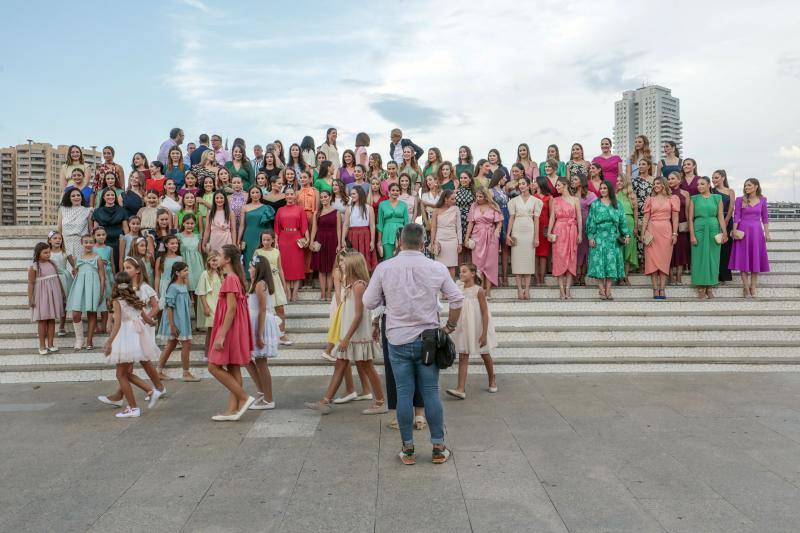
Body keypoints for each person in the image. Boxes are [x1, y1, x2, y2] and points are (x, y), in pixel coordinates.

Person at [363, 223, 464, 465]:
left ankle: (408, 449)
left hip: (397, 339)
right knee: (430, 392)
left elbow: (368, 301)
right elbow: (457, 299)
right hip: (427, 339)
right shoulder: (436, 268)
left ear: (399, 242)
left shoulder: (384, 268)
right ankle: (438, 447)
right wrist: (449, 327)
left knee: (404, 394)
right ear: (423, 243)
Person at [306, 252, 387, 416]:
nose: (341, 264)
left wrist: (346, 338)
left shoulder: (359, 285)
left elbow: (358, 316)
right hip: (350, 334)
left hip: (357, 335)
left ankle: (380, 402)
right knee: (340, 365)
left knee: (367, 367)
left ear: (353, 265)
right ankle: (325, 401)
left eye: (344, 262)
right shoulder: (351, 285)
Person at [97, 258, 165, 410]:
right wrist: (151, 322)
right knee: (125, 373)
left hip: (126, 335)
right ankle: (145, 393)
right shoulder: (133, 297)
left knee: (122, 374)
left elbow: (118, 323)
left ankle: (136, 405)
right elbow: (144, 315)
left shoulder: (117, 300)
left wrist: (109, 342)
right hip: (137, 334)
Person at [207, 245, 256, 421]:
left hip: (229, 327)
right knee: (233, 366)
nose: (216, 257)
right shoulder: (235, 278)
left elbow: (232, 309)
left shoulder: (230, 279)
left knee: (213, 366)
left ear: (227, 259)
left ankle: (243, 398)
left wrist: (221, 334)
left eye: (219, 255)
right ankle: (231, 410)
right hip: (235, 327)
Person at [446, 263, 497, 399]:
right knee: (463, 354)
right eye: (460, 272)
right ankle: (460, 389)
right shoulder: (459, 288)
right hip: (464, 325)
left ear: (473, 274)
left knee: (485, 353)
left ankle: (492, 378)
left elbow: (485, 312)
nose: (461, 274)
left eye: (464, 271)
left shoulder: (478, 290)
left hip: (477, 324)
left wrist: (484, 333)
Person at [245, 255, 280, 410]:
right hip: (255, 322)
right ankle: (262, 391)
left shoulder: (260, 284)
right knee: (248, 359)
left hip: (261, 324)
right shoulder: (255, 283)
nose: (248, 269)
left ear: (258, 269)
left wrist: (259, 335)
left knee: (261, 362)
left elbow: (262, 309)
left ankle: (268, 399)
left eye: (251, 267)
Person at [586, 181, 629, 300]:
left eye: (605, 188)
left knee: (611, 263)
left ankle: (608, 289)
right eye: (601, 188)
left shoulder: (617, 204)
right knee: (599, 262)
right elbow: (590, 222)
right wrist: (591, 237)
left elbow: (622, 221)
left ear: (610, 189)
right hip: (599, 237)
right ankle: (601, 289)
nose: (602, 190)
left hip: (613, 237)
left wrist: (626, 235)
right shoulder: (595, 204)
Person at [729, 178, 771, 297]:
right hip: (743, 231)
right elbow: (736, 216)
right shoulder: (740, 200)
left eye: (749, 185)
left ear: (756, 186)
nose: (746, 187)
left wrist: (767, 233)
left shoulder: (763, 200)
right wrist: (735, 230)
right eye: (745, 186)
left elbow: (765, 217)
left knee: (755, 259)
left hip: (757, 232)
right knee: (743, 259)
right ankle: (746, 287)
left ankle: (753, 287)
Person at [156, 262, 197, 381]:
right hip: (176, 320)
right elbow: (169, 307)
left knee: (171, 344)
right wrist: (172, 325)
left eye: (187, 270)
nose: (187, 272)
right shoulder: (173, 287)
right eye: (184, 270)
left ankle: (158, 371)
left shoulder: (183, 285)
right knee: (186, 343)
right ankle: (186, 373)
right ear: (177, 273)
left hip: (182, 318)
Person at [641, 177, 679, 300]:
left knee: (664, 261)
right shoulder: (650, 199)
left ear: (664, 184)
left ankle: (662, 288)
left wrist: (674, 234)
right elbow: (646, 218)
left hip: (666, 231)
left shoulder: (673, 199)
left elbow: (675, 218)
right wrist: (642, 233)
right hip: (652, 231)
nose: (655, 185)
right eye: (654, 184)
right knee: (652, 261)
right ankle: (655, 288)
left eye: (658, 183)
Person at [689, 176, 727, 298]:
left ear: (708, 185)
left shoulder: (717, 198)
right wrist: (692, 235)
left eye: (702, 184)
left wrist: (724, 232)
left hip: (713, 229)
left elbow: (720, 216)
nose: (699, 186)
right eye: (698, 184)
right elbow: (690, 219)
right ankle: (701, 286)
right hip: (698, 228)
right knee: (699, 257)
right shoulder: (693, 199)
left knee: (713, 257)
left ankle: (710, 286)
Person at [66, 234, 105, 350]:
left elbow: (102, 276)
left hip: (93, 286)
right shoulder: (78, 258)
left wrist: (101, 293)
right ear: (82, 244)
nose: (88, 244)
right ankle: (79, 339)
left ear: (94, 243)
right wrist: (74, 272)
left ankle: (89, 340)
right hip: (79, 285)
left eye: (90, 242)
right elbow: (76, 271)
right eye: (86, 242)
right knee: (75, 313)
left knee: (91, 313)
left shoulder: (98, 258)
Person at [507, 177, 542, 299]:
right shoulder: (513, 201)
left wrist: (536, 237)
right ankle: (519, 289)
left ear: (528, 185)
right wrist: (508, 234)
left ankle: (527, 289)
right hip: (517, 231)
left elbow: (536, 220)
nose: (521, 186)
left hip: (529, 231)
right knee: (517, 261)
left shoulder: (536, 201)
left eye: (523, 183)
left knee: (528, 261)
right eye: (519, 184)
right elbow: (511, 218)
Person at [465, 187, 503, 298]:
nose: (478, 198)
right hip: (477, 236)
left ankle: (489, 291)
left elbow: (499, 222)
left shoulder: (493, 206)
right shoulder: (474, 206)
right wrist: (467, 238)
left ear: (486, 196)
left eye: (480, 196)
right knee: (478, 264)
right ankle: (480, 289)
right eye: (476, 196)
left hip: (491, 236)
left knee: (490, 264)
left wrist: (497, 230)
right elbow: (471, 223)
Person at [255, 230, 292, 345]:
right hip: (263, 282)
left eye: (268, 240)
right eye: (263, 240)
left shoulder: (276, 251)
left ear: (272, 240)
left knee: (280, 308)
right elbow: (254, 268)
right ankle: (264, 334)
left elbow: (280, 268)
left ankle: (281, 334)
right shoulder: (257, 252)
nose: (265, 242)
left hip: (275, 281)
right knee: (264, 308)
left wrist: (284, 284)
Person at [548, 178, 581, 299]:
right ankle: (561, 290)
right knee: (559, 259)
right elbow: (552, 217)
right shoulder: (555, 200)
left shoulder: (575, 200)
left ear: (565, 185)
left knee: (571, 259)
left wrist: (580, 233)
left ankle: (568, 290)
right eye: (556, 185)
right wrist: (550, 233)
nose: (556, 187)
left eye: (559, 185)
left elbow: (579, 218)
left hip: (572, 231)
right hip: (559, 230)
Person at [28, 242, 64, 355]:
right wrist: (31, 298)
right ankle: (42, 345)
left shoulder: (52, 263)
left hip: (53, 295)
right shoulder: (34, 266)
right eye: (45, 252)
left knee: (52, 319)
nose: (48, 254)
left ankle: (51, 344)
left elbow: (57, 279)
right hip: (41, 296)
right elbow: (31, 283)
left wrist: (62, 292)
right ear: (38, 253)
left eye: (49, 252)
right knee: (42, 321)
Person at [275, 188, 309, 301]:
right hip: (283, 239)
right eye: (287, 194)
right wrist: (275, 241)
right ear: (285, 196)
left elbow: (304, 226)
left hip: (296, 238)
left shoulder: (300, 209)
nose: (289, 196)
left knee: (297, 266)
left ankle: (295, 292)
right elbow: (276, 228)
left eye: (291, 194)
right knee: (285, 265)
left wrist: (307, 238)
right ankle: (287, 291)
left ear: (295, 196)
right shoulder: (280, 210)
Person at [310, 190, 341, 301]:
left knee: (331, 268)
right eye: (322, 197)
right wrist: (311, 241)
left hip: (332, 241)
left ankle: (329, 292)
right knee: (322, 269)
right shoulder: (317, 213)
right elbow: (314, 228)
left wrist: (339, 244)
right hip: (320, 241)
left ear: (330, 197)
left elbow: (339, 229)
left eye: (325, 196)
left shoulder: (336, 212)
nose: (323, 199)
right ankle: (323, 293)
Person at [239, 186, 276, 273]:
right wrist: (238, 240)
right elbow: (241, 225)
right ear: (250, 195)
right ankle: (249, 282)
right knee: (249, 257)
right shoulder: (244, 207)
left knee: (262, 257)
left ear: (261, 194)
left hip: (262, 237)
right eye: (253, 193)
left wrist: (272, 239)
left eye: (257, 192)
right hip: (248, 236)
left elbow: (269, 227)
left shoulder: (267, 208)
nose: (255, 195)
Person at [341, 186, 377, 270]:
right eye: (351, 194)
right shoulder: (349, 208)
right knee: (353, 260)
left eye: (353, 194)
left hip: (365, 235)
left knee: (365, 259)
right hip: (352, 235)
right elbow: (346, 224)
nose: (351, 196)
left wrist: (372, 240)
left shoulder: (369, 208)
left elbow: (372, 225)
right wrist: (343, 239)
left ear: (360, 194)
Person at [571, 172, 597, 286]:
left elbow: (596, 212)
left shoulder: (590, 195)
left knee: (585, 251)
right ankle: (575, 275)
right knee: (574, 251)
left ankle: (582, 276)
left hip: (586, 226)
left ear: (581, 181)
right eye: (572, 179)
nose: (573, 181)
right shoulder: (570, 194)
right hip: (572, 226)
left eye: (575, 179)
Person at [429, 189, 462, 277]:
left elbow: (459, 227)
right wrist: (432, 242)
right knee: (440, 266)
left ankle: (451, 288)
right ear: (445, 199)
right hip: (439, 241)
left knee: (452, 266)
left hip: (452, 240)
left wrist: (460, 243)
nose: (454, 201)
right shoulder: (436, 210)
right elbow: (433, 227)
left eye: (455, 199)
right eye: (452, 199)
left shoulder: (456, 209)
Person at [195, 251, 222, 356]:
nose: (215, 262)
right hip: (211, 304)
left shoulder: (222, 274)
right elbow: (201, 292)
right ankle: (207, 354)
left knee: (220, 329)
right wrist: (205, 307)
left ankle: (217, 353)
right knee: (211, 330)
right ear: (209, 261)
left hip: (220, 304)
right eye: (213, 260)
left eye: (217, 260)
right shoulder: (205, 274)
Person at [712, 170, 736, 283]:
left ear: (723, 178)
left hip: (728, 220)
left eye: (716, 177)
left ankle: (725, 275)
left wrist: (726, 221)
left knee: (726, 248)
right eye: (713, 178)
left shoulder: (730, 191)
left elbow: (732, 207)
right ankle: (715, 273)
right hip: (715, 220)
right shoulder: (711, 191)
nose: (714, 180)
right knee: (716, 247)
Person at [667, 172, 691, 284]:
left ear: (679, 180)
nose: (670, 180)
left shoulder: (685, 193)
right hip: (668, 224)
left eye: (672, 178)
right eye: (668, 179)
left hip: (681, 225)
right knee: (669, 250)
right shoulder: (666, 193)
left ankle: (679, 276)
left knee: (681, 250)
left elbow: (687, 211)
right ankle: (671, 276)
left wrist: (689, 226)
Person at [376, 183, 409, 260]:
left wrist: (406, 238)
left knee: (401, 259)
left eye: (397, 190)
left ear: (399, 192)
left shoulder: (403, 205)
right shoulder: (382, 204)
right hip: (387, 233)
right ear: (389, 192)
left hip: (401, 234)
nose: (395, 192)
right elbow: (380, 224)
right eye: (393, 190)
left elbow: (406, 223)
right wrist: (379, 240)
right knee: (388, 258)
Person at [616, 176, 639, 284]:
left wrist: (635, 227)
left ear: (625, 182)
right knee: (619, 250)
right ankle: (620, 277)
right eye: (617, 181)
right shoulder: (614, 196)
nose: (618, 183)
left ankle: (626, 275)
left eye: (621, 181)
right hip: (618, 224)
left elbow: (635, 213)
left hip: (629, 222)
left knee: (628, 249)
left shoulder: (632, 196)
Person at [48, 231, 71, 337]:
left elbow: (75, 266)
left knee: (64, 303)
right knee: (50, 302)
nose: (58, 240)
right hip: (52, 279)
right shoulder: (47, 253)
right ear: (49, 240)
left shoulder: (64, 253)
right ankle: (48, 325)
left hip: (64, 279)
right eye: (55, 238)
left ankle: (62, 326)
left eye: (60, 238)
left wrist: (76, 269)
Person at [58, 188, 92, 259]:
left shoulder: (88, 211)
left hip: (82, 244)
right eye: (73, 196)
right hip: (66, 243)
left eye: (78, 195)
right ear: (69, 198)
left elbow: (90, 230)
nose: (76, 197)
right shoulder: (62, 209)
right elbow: (59, 229)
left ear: (81, 197)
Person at [92, 227, 114, 334]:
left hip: (108, 276)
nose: (101, 237)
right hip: (97, 276)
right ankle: (95, 325)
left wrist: (114, 276)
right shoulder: (92, 248)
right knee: (97, 300)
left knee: (108, 300)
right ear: (94, 237)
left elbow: (112, 263)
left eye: (103, 234)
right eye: (98, 235)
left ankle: (105, 325)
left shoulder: (109, 248)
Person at [532, 177, 552, 286]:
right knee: (535, 253)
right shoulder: (532, 197)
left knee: (543, 254)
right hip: (534, 226)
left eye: (535, 182)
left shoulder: (549, 197)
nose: (533, 184)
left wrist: (549, 228)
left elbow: (551, 214)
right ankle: (536, 277)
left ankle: (542, 277)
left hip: (544, 226)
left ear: (540, 183)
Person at [154, 235, 183, 310]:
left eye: (176, 243)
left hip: (177, 285)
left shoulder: (180, 259)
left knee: (175, 308)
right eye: (172, 243)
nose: (175, 245)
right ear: (166, 245)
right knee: (163, 307)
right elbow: (157, 277)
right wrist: (156, 292)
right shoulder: (160, 259)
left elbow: (184, 275)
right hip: (164, 286)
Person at [177, 214, 203, 294]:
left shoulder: (197, 236)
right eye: (187, 223)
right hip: (185, 263)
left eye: (192, 223)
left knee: (198, 287)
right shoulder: (178, 236)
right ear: (183, 223)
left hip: (196, 264)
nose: (189, 225)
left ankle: (196, 305)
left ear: (195, 224)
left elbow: (199, 251)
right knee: (186, 285)